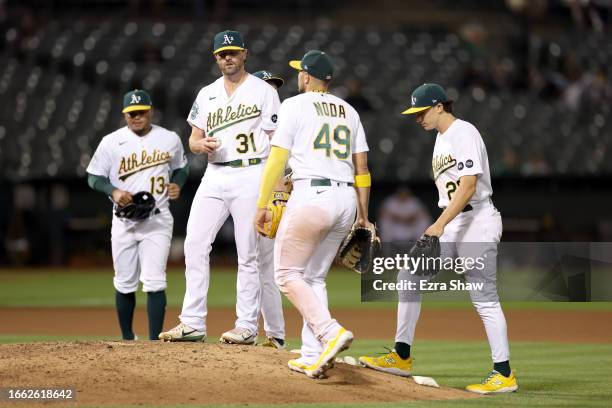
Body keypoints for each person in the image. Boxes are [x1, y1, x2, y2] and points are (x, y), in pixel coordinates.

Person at [359, 83, 518, 394]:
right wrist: (443, 223)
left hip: (477, 220)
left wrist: (439, 225)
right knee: (409, 276)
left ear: (439, 106)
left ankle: (504, 373)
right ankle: (401, 356)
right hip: (454, 220)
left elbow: (469, 185)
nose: (418, 118)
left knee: (484, 298)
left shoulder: (463, 132)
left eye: (421, 112)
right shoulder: (441, 139)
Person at [254, 50, 373, 379]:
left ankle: (329, 332)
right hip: (347, 198)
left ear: (306, 76)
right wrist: (363, 216)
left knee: (286, 274)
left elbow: (277, 160)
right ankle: (313, 354)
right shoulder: (350, 111)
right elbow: (362, 169)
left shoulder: (293, 105)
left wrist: (262, 204)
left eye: (299, 73)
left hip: (312, 194)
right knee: (314, 277)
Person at [159, 30, 281, 345]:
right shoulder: (207, 93)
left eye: (233, 52)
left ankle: (246, 327)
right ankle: (193, 323)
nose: (227, 57)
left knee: (248, 253)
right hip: (214, 175)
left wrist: (277, 183)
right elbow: (194, 138)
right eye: (222, 53)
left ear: (245, 54)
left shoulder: (263, 91)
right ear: (215, 58)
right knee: (194, 245)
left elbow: (275, 140)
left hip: (251, 172)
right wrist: (199, 145)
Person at [86, 89, 188, 341]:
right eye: (131, 113)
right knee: (123, 282)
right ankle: (128, 338)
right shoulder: (111, 141)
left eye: (141, 112)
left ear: (150, 110)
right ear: (125, 114)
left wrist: (178, 184)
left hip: (158, 218)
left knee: (154, 281)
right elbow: (93, 177)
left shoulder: (169, 138)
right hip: (124, 221)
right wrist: (112, 190)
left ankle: (154, 342)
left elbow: (181, 168)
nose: (136, 117)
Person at [252, 69, 287, 349]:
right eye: (266, 86)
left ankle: (274, 334)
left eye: (274, 86)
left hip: (278, 206)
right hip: (251, 199)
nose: (271, 90)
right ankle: (272, 334)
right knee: (260, 268)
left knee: (270, 270)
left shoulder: (287, 126)